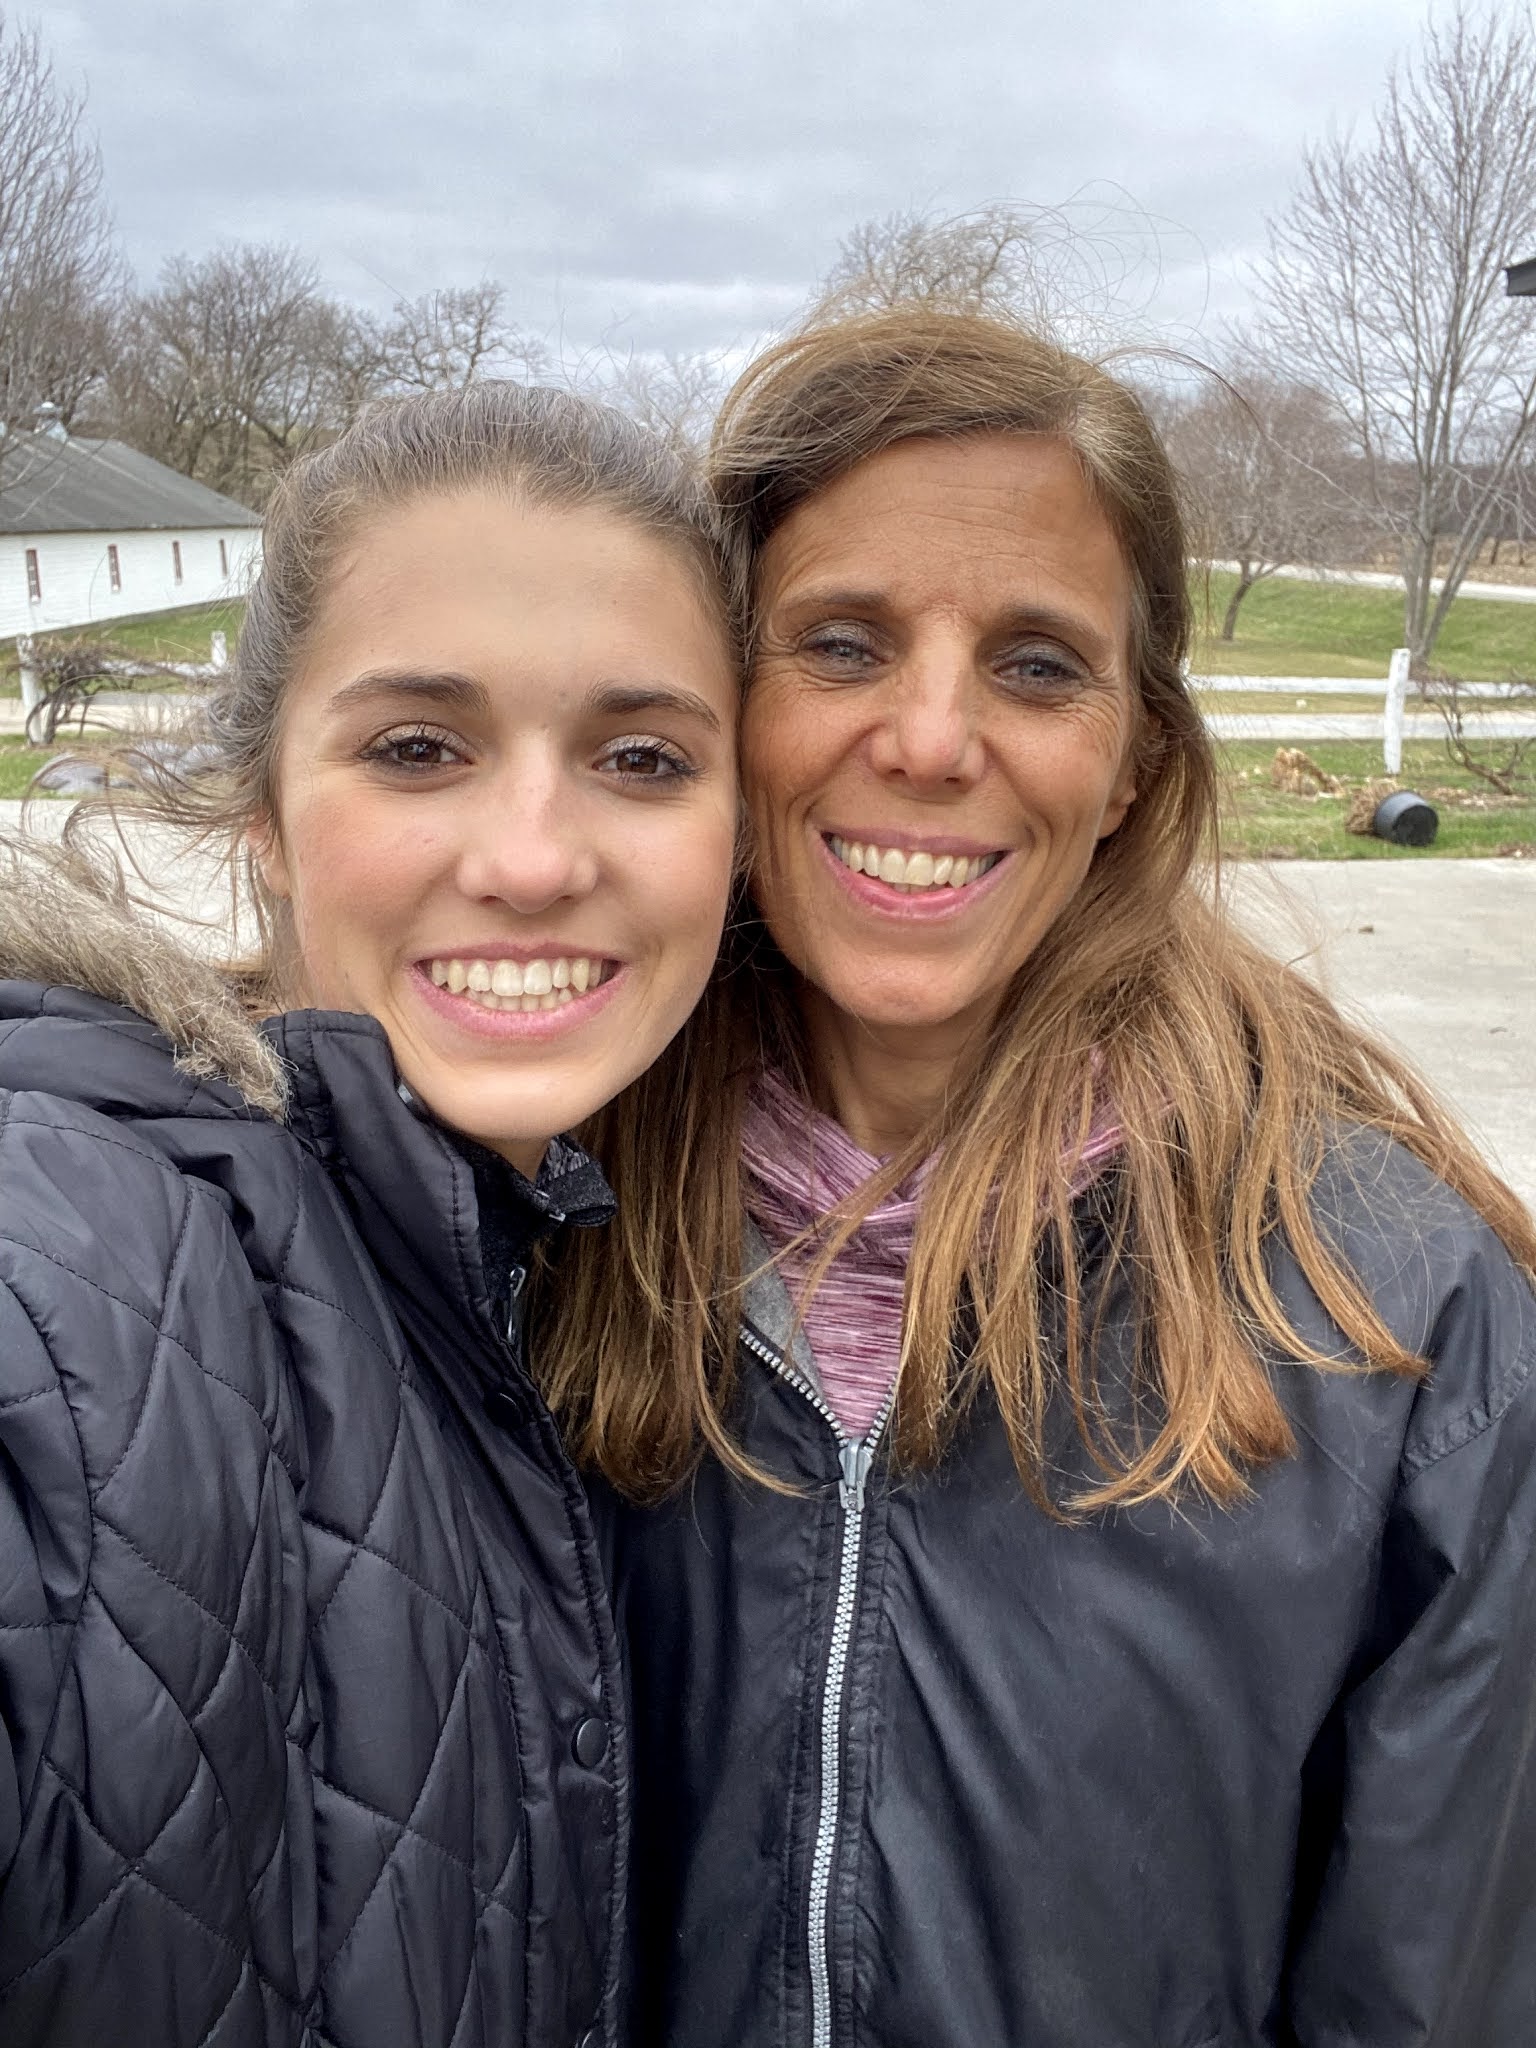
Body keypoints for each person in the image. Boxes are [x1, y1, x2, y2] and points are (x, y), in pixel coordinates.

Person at [550, 312, 1536, 2047]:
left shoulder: (1404, 1324)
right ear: (718, 701)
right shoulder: (535, 1212)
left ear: (1135, 755)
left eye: (1035, 664)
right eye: (841, 643)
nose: (933, 741)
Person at [0, 382, 741, 2047]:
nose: (534, 860)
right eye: (418, 749)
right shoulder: (70, 1258)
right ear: (262, 813)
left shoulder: (574, 1268)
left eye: (641, 758)